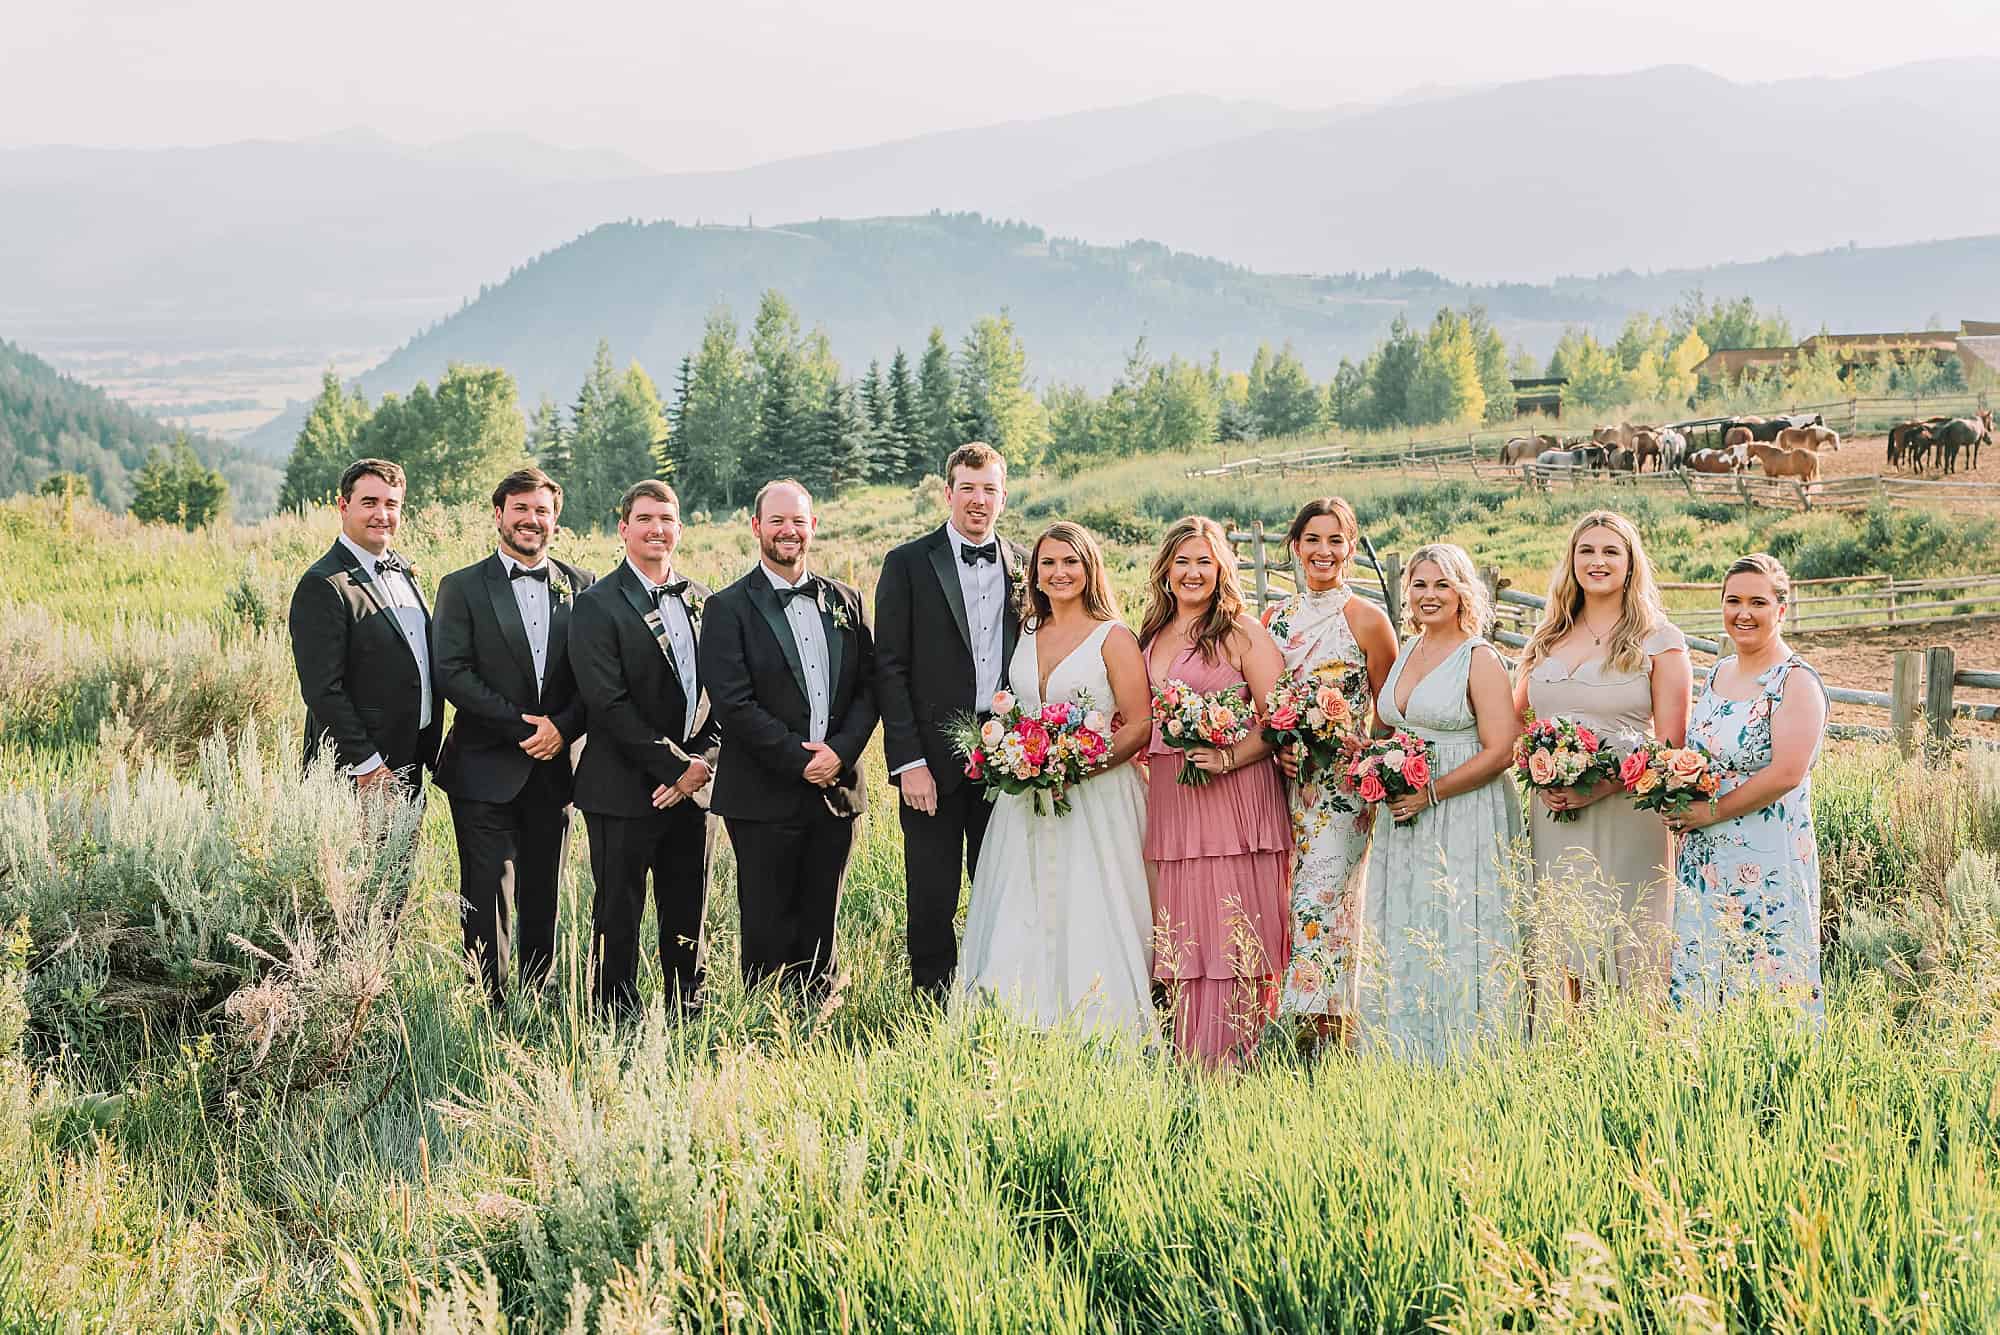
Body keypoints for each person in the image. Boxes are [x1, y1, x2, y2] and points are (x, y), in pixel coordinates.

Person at [956, 522, 1156, 1042]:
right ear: (1035, 574)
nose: (1060, 572)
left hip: (1097, 795)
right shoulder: (1024, 633)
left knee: (1091, 901)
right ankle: (1020, 1019)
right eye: (1048, 563)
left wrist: (1074, 768)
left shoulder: (1113, 637)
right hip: (1025, 799)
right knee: (1022, 901)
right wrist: (1017, 759)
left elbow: (1138, 725)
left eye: (1071, 562)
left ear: (1090, 569)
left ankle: (1098, 1022)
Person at [699, 479, 879, 997]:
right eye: (776, 521)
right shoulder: (728, 606)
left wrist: (840, 753)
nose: (788, 531)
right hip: (762, 792)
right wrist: (799, 760)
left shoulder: (846, 599)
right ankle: (764, 1028)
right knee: (766, 920)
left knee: (822, 916)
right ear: (756, 527)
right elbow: (732, 701)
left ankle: (816, 1025)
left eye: (798, 521)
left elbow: (870, 688)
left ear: (813, 526)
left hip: (836, 790)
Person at [1512, 510, 1691, 1009]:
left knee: (1629, 940)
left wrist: (1597, 786)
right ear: (1571, 562)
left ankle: (1630, 1055)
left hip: (1629, 812)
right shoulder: (1546, 639)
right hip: (1554, 815)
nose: (1597, 561)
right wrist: (1539, 765)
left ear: (1632, 565)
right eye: (1586, 551)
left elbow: (1670, 747)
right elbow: (1513, 722)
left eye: (1611, 551)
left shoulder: (1661, 642)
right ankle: (1562, 1061)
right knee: (1563, 942)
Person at [433, 468, 596, 1003]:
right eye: (520, 509)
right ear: (498, 513)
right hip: (483, 767)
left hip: (555, 768)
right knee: (486, 892)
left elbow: (597, 676)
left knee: (543, 889)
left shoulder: (583, 587)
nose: (532, 520)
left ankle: (536, 993)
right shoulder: (460, 586)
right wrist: (522, 726)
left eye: (542, 511)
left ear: (556, 518)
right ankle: (488, 1003)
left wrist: (563, 729)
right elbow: (453, 672)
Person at [875, 442, 1028, 1004]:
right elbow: (888, 668)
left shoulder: (1026, 562)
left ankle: (999, 999)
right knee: (932, 893)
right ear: (948, 493)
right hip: (931, 763)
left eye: (990, 489)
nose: (979, 500)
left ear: (1003, 496)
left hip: (1012, 760)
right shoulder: (908, 563)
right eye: (968, 488)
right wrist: (908, 763)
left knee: (1004, 889)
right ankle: (932, 1006)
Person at [1360, 542, 1524, 1063]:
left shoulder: (1478, 658)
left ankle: (1467, 1052)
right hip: (1404, 816)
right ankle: (1405, 1050)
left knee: (1457, 920)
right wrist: (1373, 767)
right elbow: (1387, 727)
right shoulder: (1407, 650)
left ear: (1462, 593)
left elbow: (1502, 750)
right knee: (1410, 919)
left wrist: (1432, 791)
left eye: (1442, 585)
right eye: (1419, 584)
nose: (1429, 596)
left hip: (1463, 810)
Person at [1138, 515, 1293, 1068]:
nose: (1192, 572)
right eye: (1182, 561)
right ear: (1165, 571)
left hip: (1235, 794)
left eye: (1204, 560)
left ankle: (1240, 1054)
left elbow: (1280, 719)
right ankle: (1188, 1053)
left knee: (1234, 925)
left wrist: (1228, 755)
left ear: (1222, 567)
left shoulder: (1242, 631)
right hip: (1174, 800)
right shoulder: (1150, 637)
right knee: (1185, 928)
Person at [569, 481, 720, 1017]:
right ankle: (614, 1016)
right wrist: (676, 768)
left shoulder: (706, 600)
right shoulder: (595, 605)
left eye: (668, 518)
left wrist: (702, 765)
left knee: (688, 907)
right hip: (620, 788)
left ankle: (688, 1009)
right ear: (623, 528)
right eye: (646, 518)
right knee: (619, 911)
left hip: (694, 790)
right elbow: (607, 704)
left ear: (679, 528)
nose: (658, 528)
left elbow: (723, 696)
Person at [1664, 553, 1827, 1017]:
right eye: (1732, 601)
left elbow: (1786, 773)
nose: (1743, 613)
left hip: (1767, 855)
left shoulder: (1794, 682)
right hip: (1706, 856)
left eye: (1758, 601)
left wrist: (1710, 811)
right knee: (1705, 974)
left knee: (1766, 975)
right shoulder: (1718, 673)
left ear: (1782, 609)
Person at [1264, 497, 1398, 1044]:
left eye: (1335, 540)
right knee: (1283, 898)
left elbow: (1390, 716)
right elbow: (1265, 705)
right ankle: (1286, 1021)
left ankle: (1326, 1033)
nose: (1323, 551)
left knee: (1322, 901)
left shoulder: (1368, 620)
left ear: (1350, 547)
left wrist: (1357, 749)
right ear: (1295, 546)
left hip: (1343, 791)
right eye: (1312, 540)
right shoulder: (1274, 620)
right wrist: (1281, 748)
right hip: (1284, 784)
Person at [287, 457, 441, 790]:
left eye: (391, 504)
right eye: (369, 503)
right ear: (343, 506)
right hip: (357, 771)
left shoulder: (402, 569)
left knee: (403, 845)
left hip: (408, 760)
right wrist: (367, 764)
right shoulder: (323, 584)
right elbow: (322, 689)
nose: (381, 515)